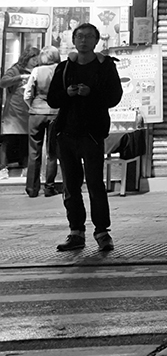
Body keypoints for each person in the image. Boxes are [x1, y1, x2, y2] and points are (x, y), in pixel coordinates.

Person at [48, 23, 123, 252]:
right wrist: (66, 94)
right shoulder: (64, 68)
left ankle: (102, 232)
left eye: (89, 36)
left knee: (94, 184)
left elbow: (115, 96)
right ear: (73, 39)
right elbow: (52, 99)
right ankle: (76, 232)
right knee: (71, 185)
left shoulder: (105, 67)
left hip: (92, 134)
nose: (84, 40)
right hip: (67, 134)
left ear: (96, 41)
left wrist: (92, 94)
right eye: (80, 36)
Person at [22, 47, 62, 197]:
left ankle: (32, 189)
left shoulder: (37, 71)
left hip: (36, 113)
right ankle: (49, 187)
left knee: (34, 151)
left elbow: (27, 94)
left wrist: (32, 106)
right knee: (52, 152)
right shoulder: (61, 70)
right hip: (55, 113)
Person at [1, 45, 35, 173]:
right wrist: (20, 78)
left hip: (28, 111)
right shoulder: (16, 70)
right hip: (14, 112)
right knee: (9, 140)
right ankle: (3, 168)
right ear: (28, 58)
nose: (35, 61)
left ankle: (26, 169)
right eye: (33, 59)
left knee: (26, 142)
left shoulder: (36, 70)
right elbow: (3, 82)